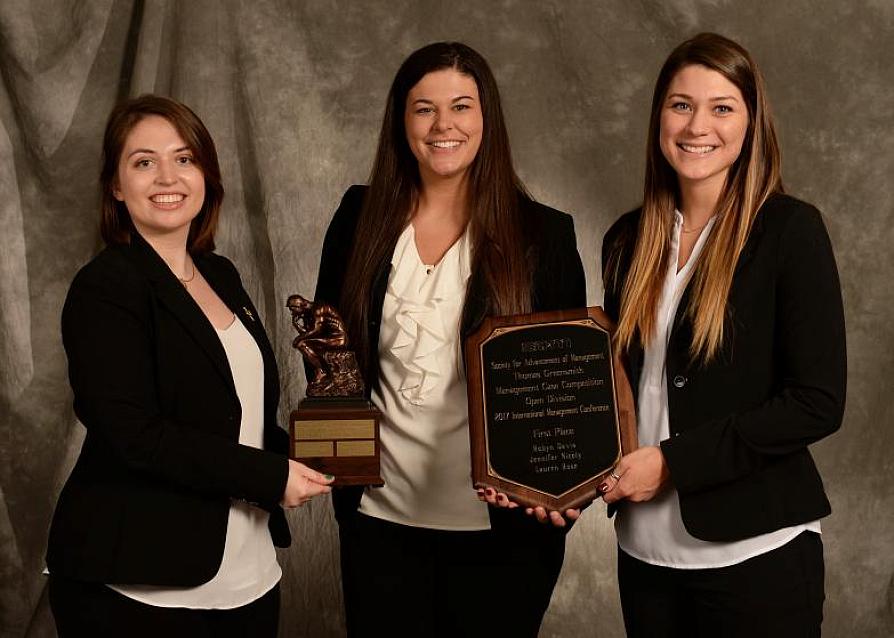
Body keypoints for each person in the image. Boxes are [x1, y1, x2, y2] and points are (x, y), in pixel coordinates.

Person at [313, 42, 586, 637]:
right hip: (377, 522)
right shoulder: (357, 217)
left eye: (461, 106)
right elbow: (330, 357)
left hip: (504, 535)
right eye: (424, 109)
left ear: (486, 119)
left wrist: (565, 487)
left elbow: (568, 384)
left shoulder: (545, 233)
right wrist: (332, 467)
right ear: (401, 120)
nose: (444, 126)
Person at [46, 95, 333, 637]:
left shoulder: (219, 274)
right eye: (143, 162)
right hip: (139, 585)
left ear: (206, 175)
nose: (166, 177)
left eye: (184, 158)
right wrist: (270, 478)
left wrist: (325, 450)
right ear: (115, 184)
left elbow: (235, 416)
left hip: (249, 576)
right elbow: (134, 434)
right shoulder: (106, 287)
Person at [600, 33, 846, 637]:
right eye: (681, 105)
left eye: (721, 107)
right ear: (659, 115)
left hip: (757, 554)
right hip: (645, 556)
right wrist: (553, 482)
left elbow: (815, 403)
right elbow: (620, 395)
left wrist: (673, 463)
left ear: (751, 122)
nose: (696, 126)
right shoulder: (627, 240)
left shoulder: (790, 230)